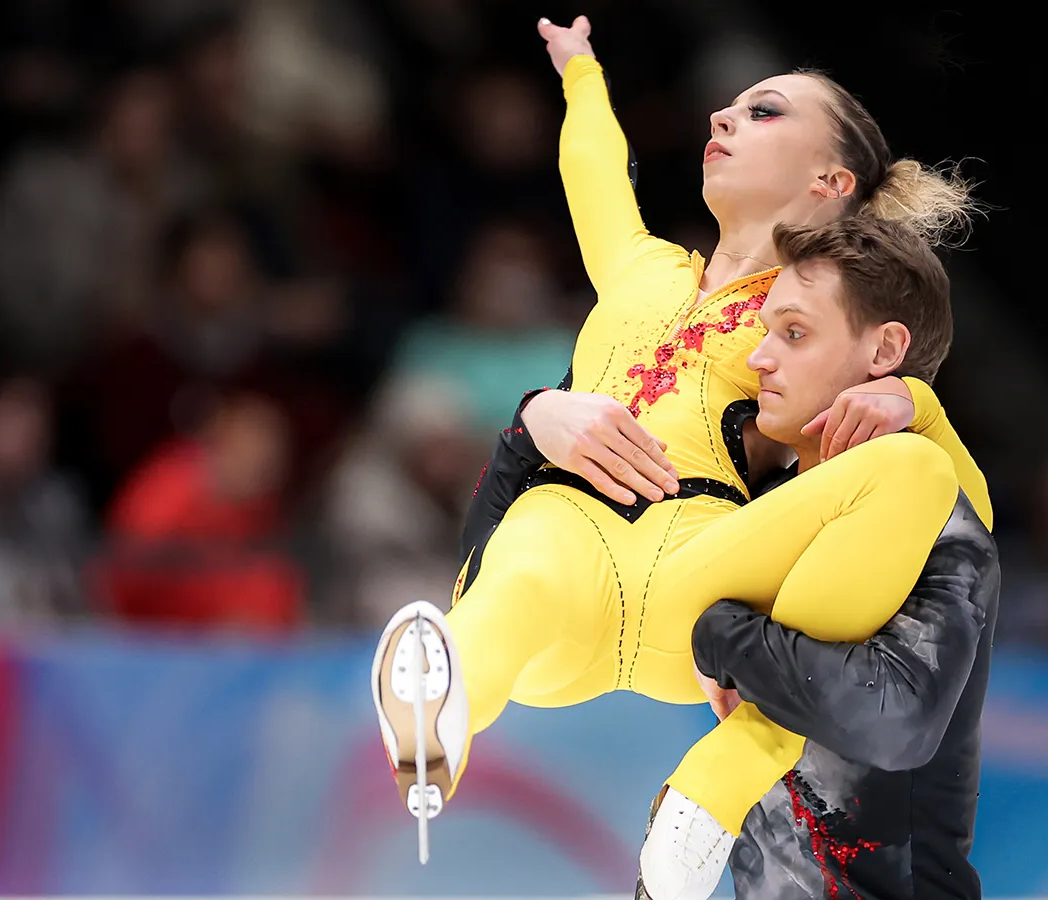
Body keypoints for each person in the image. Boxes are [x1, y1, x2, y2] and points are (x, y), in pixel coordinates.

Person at [370, 15, 987, 886]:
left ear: (831, 181)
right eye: (727, 108)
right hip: (565, 548)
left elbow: (957, 516)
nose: (721, 118)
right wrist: (580, 73)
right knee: (523, 574)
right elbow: (593, 174)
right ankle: (438, 727)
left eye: (763, 111)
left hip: (699, 574)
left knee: (912, 469)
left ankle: (718, 785)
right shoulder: (643, 268)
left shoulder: (825, 314)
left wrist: (913, 402)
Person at [476, 219, 997, 899]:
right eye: (763, 331)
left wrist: (720, 632)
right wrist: (528, 428)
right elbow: (484, 577)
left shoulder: (940, 520)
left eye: (794, 334)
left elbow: (893, 719)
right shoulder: (756, 510)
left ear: (884, 351)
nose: (758, 358)